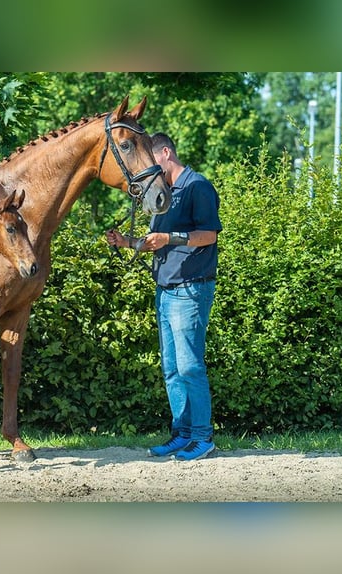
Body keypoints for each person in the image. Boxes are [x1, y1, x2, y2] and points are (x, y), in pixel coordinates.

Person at [106, 132, 222, 461]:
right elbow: (155, 240)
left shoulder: (198, 187)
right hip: (166, 290)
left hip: (190, 287)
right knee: (171, 369)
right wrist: (126, 242)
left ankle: (202, 437)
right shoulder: (165, 194)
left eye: (150, 160)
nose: (146, 168)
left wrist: (170, 235)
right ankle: (182, 433)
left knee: (189, 367)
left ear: (166, 153)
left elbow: (208, 235)